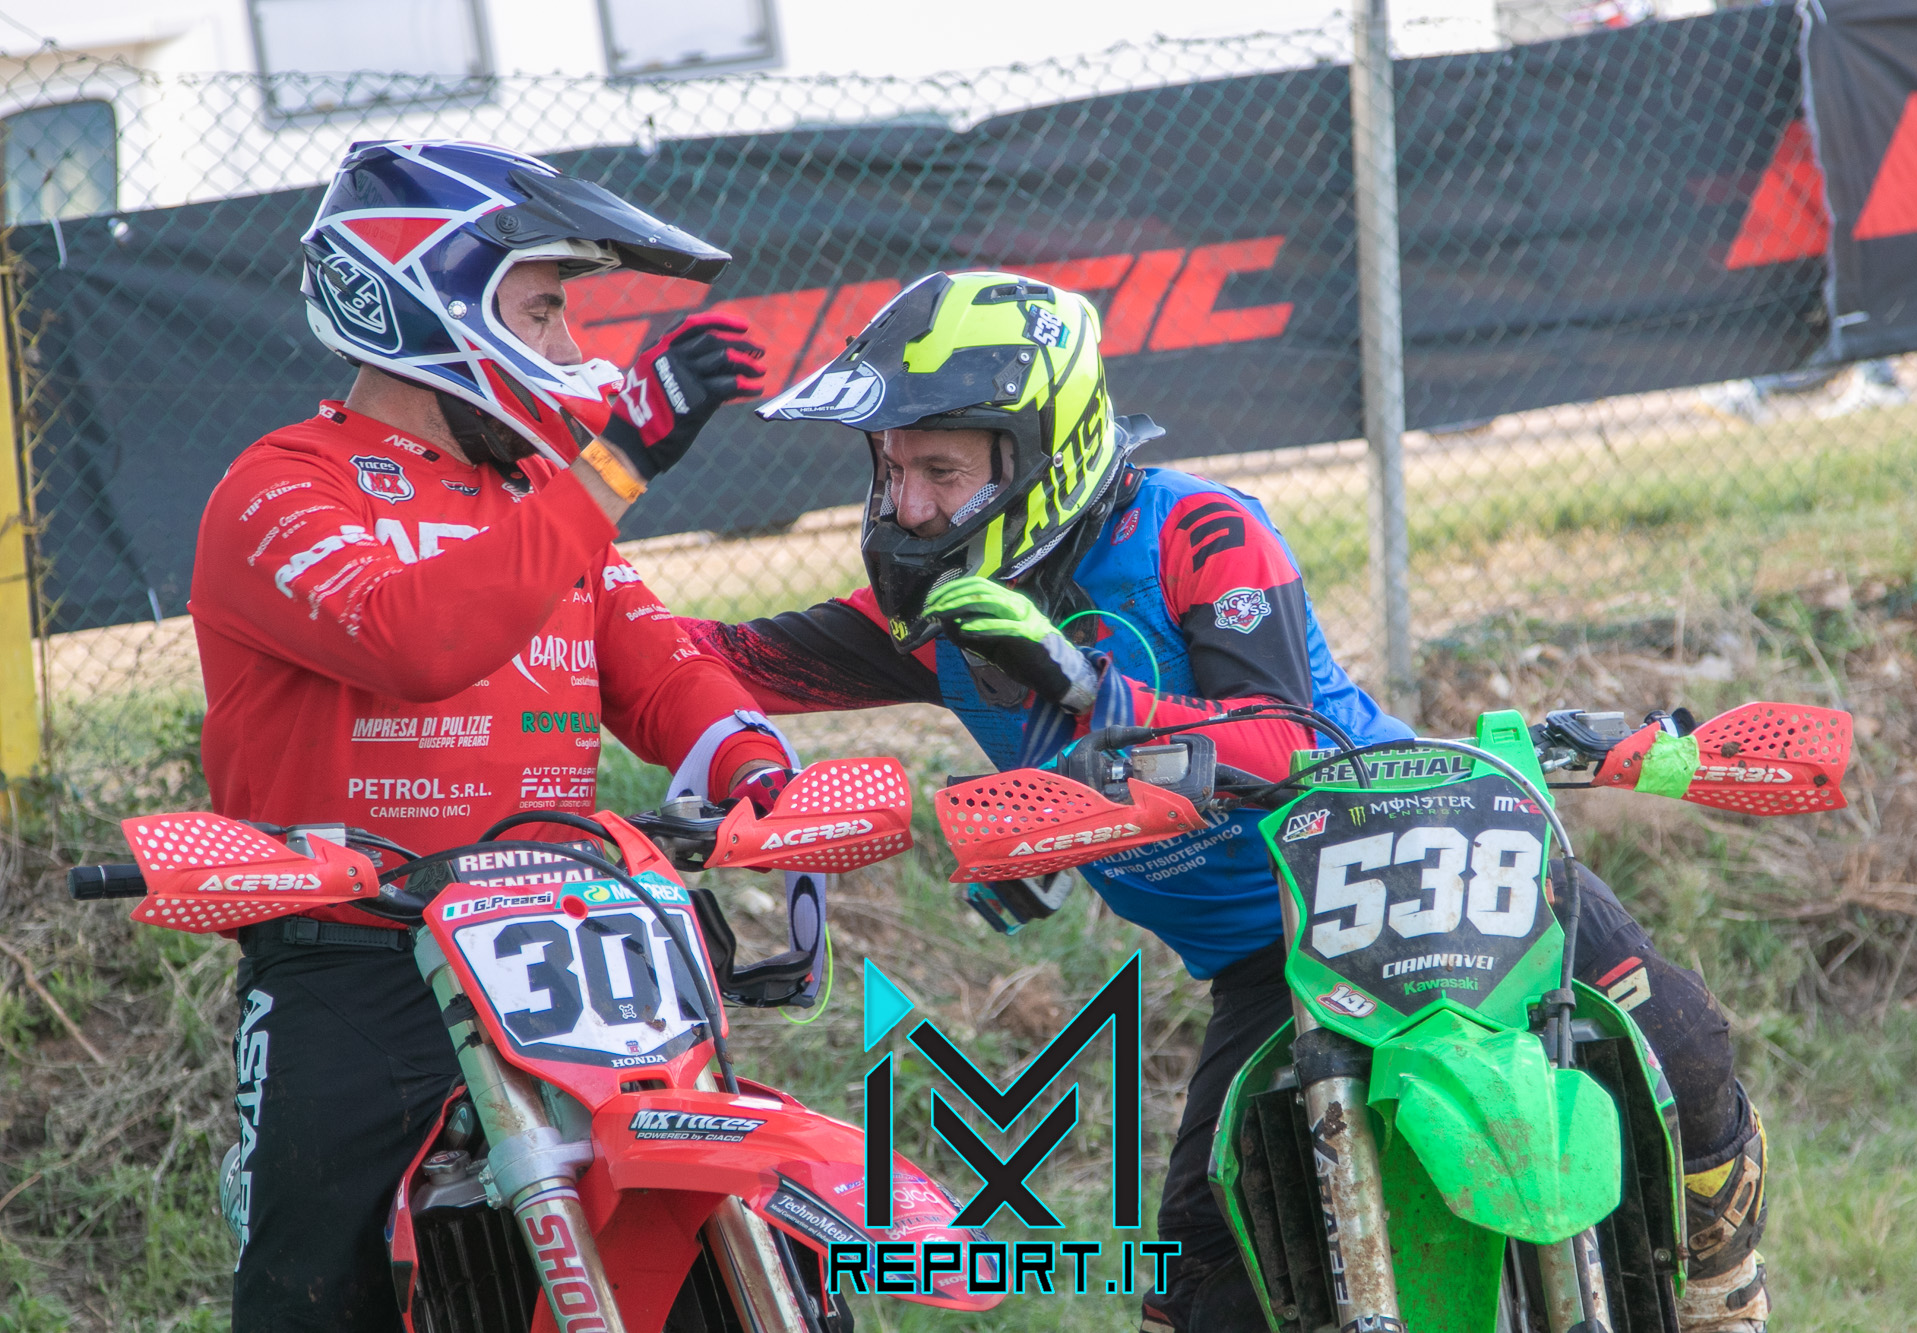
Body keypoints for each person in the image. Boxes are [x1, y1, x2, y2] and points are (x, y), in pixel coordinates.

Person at [680, 272, 1772, 1333]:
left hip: (1417, 855)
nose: (909, 506)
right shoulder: (933, 621)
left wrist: (1088, 688)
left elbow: (1286, 739)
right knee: (1203, 1285)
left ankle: (1722, 1300)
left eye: (940, 470)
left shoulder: (1192, 530)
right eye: (891, 469)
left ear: (1041, 450)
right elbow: (703, 660)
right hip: (1272, 961)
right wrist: (602, 499)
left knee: (1677, 1046)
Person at [189, 139, 799, 1327]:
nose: (572, 345)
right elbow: (412, 639)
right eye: (545, 308)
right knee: (315, 1291)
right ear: (436, 305)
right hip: (361, 952)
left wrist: (755, 768)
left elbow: (657, 663)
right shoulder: (282, 486)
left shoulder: (539, 499)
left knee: (699, 1236)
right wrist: (615, 464)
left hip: (572, 944)